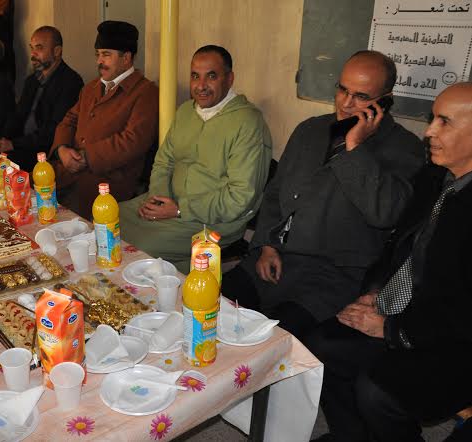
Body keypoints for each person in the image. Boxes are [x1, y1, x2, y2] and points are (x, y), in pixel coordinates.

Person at [306, 82, 472, 442]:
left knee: (377, 391)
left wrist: (391, 329)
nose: (429, 131)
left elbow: (461, 310)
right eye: (432, 118)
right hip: (409, 307)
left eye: (444, 122)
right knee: (321, 343)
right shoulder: (434, 176)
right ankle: (351, 435)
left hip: (453, 338)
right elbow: (399, 245)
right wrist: (376, 291)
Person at [223, 50, 425, 338]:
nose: (346, 103)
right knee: (209, 308)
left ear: (385, 101)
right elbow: (276, 193)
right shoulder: (310, 130)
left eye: (361, 96)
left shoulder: (404, 148)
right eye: (342, 89)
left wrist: (355, 147)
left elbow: (384, 213)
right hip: (277, 259)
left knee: (274, 340)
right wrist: (267, 244)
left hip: (332, 276)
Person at [119, 45, 272, 272]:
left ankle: (181, 287)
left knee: (143, 247)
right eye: (194, 76)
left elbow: (240, 198)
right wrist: (158, 199)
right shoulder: (185, 112)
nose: (200, 86)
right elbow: (164, 161)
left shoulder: (248, 123)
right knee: (109, 219)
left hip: (213, 221)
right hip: (169, 204)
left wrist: (179, 210)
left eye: (211, 76)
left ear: (229, 79)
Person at [49, 20, 158, 218]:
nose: (99, 61)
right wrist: (62, 149)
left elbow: (132, 141)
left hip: (107, 185)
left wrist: (87, 157)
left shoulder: (145, 92)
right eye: (98, 54)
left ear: (126, 58)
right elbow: (69, 120)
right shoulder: (91, 88)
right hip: (68, 172)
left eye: (106, 54)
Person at [0, 26, 83, 172]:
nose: (33, 54)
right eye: (32, 48)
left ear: (57, 51)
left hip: (46, 152)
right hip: (22, 145)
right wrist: (3, 139)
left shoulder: (71, 82)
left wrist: (13, 144)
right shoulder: (32, 80)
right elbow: (17, 116)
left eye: (39, 48)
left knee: (4, 168)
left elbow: (54, 130)